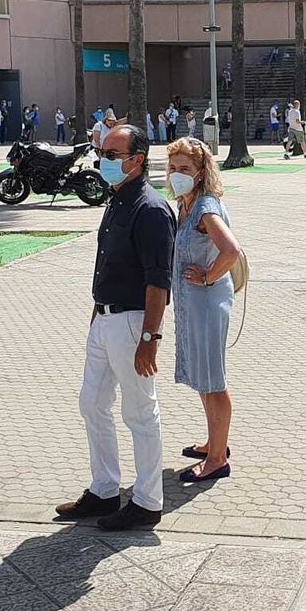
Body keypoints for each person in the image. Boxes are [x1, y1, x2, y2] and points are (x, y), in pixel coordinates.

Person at [55, 124, 173, 531]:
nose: (102, 159)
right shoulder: (116, 200)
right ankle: (104, 489)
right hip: (104, 320)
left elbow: (159, 280)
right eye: (101, 151)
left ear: (136, 160)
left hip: (132, 322)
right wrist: (95, 317)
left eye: (111, 153)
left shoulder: (151, 209)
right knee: (92, 402)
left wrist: (149, 339)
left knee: (140, 413)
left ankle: (147, 501)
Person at [166, 138, 241, 484]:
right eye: (173, 168)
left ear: (200, 173)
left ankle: (217, 459)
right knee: (202, 377)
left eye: (184, 169)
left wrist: (209, 276)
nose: (177, 174)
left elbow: (231, 249)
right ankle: (214, 442)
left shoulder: (205, 208)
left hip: (207, 304)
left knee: (213, 380)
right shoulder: (186, 203)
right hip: (193, 305)